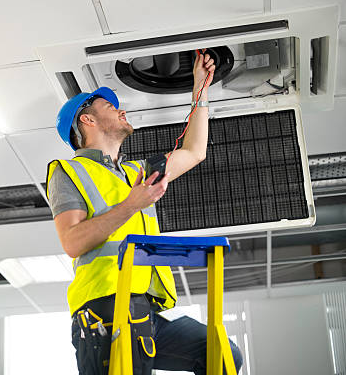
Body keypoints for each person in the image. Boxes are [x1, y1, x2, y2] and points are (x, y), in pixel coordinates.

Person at [46, 51, 243, 375]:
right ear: (87, 120)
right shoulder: (68, 172)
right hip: (103, 311)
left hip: (144, 309)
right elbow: (72, 241)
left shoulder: (138, 172)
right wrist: (130, 205)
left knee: (222, 354)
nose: (121, 109)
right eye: (110, 107)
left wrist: (200, 88)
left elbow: (194, 151)